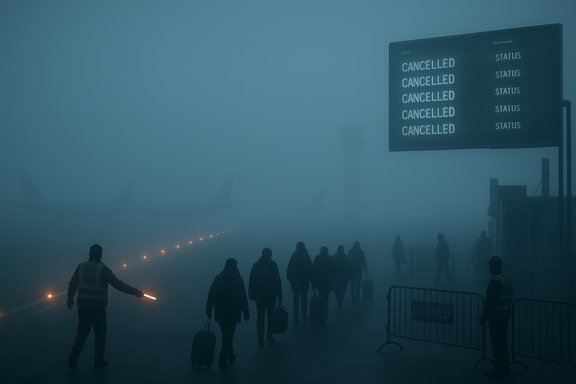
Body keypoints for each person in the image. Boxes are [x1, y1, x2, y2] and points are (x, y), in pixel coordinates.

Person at [67, 244, 144, 369]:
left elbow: (73, 284)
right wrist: (135, 292)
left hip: (83, 307)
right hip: (98, 308)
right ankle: (98, 361)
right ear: (100, 254)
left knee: (81, 334)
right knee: (100, 335)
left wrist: (70, 297)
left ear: (89, 254)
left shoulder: (81, 267)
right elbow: (118, 284)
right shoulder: (103, 269)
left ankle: (73, 357)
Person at [206, 258, 250, 369]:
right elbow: (242, 297)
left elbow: (211, 295)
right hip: (233, 312)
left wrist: (208, 309)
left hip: (220, 313)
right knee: (228, 337)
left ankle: (230, 355)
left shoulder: (219, 278)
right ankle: (222, 360)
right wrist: (246, 311)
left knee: (226, 335)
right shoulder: (238, 280)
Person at [481, 256, 513, 378]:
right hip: (505, 316)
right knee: (503, 343)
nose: (488, 268)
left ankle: (498, 370)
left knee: (496, 344)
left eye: (490, 266)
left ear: (493, 267)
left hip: (495, 317)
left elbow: (490, 301)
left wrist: (483, 316)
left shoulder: (495, 281)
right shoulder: (506, 278)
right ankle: (505, 367)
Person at [249, 247, 282, 347]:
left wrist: (251, 293)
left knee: (260, 317)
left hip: (259, 296)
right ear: (270, 255)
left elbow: (251, 280)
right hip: (271, 295)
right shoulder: (273, 265)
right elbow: (277, 280)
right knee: (270, 316)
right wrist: (280, 295)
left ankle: (260, 338)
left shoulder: (256, 265)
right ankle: (269, 336)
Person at [286, 241, 312, 325]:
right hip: (304, 281)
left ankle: (296, 317)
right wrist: (312, 281)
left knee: (296, 299)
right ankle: (304, 315)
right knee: (304, 299)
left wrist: (290, 279)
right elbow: (310, 269)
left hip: (296, 282)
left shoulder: (294, 256)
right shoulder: (306, 256)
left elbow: (289, 269)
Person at [331, 245, 351, 310]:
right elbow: (349, 268)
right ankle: (340, 302)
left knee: (338, 291)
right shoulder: (345, 257)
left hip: (337, 277)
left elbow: (331, 267)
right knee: (342, 291)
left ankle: (339, 302)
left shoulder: (335, 256)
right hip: (342, 277)